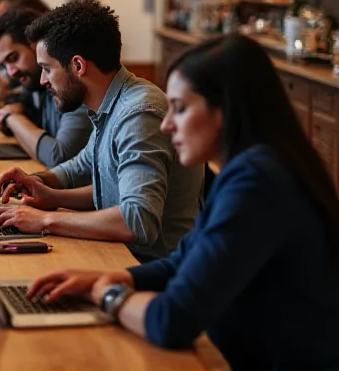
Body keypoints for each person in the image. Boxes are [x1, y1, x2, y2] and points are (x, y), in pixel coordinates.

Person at [27, 34, 339, 370]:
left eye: (181, 108)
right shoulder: (251, 169)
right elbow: (183, 260)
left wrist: (106, 294)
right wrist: (118, 278)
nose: (167, 124)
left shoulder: (256, 183)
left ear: (225, 110)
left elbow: (171, 320)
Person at [0, 0, 203, 262]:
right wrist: (41, 184)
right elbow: (85, 166)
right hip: (122, 256)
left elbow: (138, 221)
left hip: (150, 269)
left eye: (47, 69)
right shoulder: (112, 103)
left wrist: (45, 219)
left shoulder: (138, 113)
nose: (43, 80)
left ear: (77, 66)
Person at [0, 7, 91, 168]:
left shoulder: (72, 84)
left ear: (36, 46)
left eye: (13, 58)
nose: (11, 72)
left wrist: (12, 118)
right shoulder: (34, 85)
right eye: (4, 65)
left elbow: (60, 159)